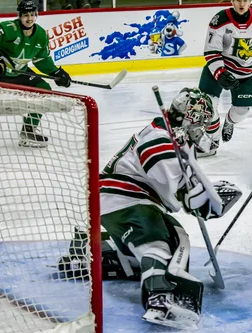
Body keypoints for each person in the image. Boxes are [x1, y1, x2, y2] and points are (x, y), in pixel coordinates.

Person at [96, 88, 241, 328]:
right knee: (156, 244)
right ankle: (160, 299)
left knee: (178, 240)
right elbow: (179, 194)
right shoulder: (159, 139)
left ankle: (104, 252)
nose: (205, 132)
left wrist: (208, 194)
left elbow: (183, 188)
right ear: (191, 120)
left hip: (131, 200)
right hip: (124, 199)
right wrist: (205, 200)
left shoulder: (172, 136)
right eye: (203, 125)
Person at [198, 0, 252, 147]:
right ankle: (212, 139)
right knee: (207, 107)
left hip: (246, 74)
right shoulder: (220, 20)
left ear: (251, 1)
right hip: (218, 71)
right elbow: (211, 51)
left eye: (245, 0)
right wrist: (220, 73)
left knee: (241, 112)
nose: (241, 3)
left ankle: (229, 122)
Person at [0, 0, 72, 148]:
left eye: (32, 14)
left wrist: (56, 72)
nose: (29, 18)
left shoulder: (41, 35)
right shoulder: (7, 28)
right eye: (26, 15)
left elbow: (41, 59)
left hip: (20, 72)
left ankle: (28, 130)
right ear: (19, 15)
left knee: (43, 88)